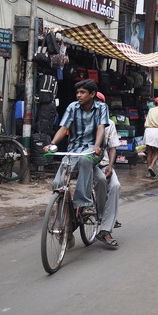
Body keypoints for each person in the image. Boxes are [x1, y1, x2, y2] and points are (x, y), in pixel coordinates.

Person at [47, 78, 108, 221]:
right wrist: (52, 143)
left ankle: (84, 203)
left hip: (92, 150)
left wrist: (97, 146)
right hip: (74, 149)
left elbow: (101, 128)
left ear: (92, 94)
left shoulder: (101, 108)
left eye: (82, 92)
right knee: (58, 183)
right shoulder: (72, 107)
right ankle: (62, 215)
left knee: (85, 159)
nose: (79, 95)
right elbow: (64, 128)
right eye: (77, 93)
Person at [93, 92, 121, 249]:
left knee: (115, 185)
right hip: (85, 162)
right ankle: (104, 218)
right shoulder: (82, 119)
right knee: (101, 180)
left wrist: (110, 165)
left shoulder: (109, 123)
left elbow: (112, 148)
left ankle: (105, 228)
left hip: (103, 162)